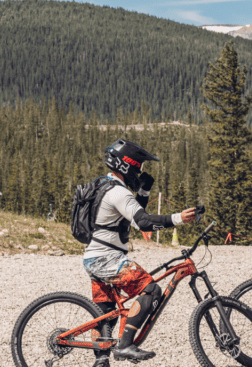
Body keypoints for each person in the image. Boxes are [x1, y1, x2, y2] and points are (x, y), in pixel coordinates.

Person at [83, 139, 197, 365]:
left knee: (106, 313)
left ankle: (101, 361)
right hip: (107, 259)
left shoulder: (104, 186)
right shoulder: (118, 192)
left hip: (94, 257)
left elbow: (133, 215)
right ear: (128, 165)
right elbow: (143, 222)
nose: (140, 171)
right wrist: (179, 219)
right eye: (139, 167)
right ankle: (125, 345)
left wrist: (144, 191)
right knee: (152, 290)